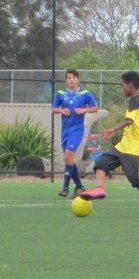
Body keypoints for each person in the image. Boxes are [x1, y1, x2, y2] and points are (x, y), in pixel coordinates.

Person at [80, 71, 139, 220]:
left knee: (136, 180)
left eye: (123, 86)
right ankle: (100, 189)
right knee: (102, 163)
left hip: (134, 148)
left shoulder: (136, 101)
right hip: (124, 146)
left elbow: (130, 121)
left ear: (131, 85)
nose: (122, 89)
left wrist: (114, 129)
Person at [52, 69, 99, 198]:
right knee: (69, 159)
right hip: (65, 131)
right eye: (69, 78)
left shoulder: (85, 93)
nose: (71, 80)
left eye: (73, 78)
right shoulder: (61, 93)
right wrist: (61, 111)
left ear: (77, 79)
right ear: (66, 80)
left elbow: (95, 108)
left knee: (68, 156)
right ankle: (79, 186)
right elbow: (53, 109)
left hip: (77, 130)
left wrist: (83, 110)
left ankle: (65, 188)